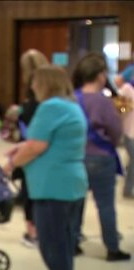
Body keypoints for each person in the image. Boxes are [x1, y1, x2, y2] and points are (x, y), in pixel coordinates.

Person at [3, 65, 88, 270]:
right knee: (65, 245)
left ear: (44, 84)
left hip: (53, 187)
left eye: (34, 82)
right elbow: (56, 140)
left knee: (53, 249)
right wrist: (23, 146)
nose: (32, 86)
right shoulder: (71, 105)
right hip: (71, 184)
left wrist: (10, 165)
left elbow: (36, 146)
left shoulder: (51, 107)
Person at [71, 53, 131, 261]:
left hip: (76, 157)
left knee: (75, 203)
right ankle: (112, 247)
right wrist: (112, 144)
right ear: (101, 76)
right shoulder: (105, 101)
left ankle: (72, 242)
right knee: (105, 205)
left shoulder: (71, 98)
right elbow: (116, 129)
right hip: (102, 158)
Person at [13, 49, 49, 248]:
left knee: (30, 190)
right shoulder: (51, 96)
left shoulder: (35, 97)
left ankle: (32, 232)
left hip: (32, 148)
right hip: (42, 150)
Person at [118, 82, 134, 199]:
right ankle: (128, 189)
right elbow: (119, 108)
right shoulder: (127, 88)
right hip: (129, 132)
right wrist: (127, 106)